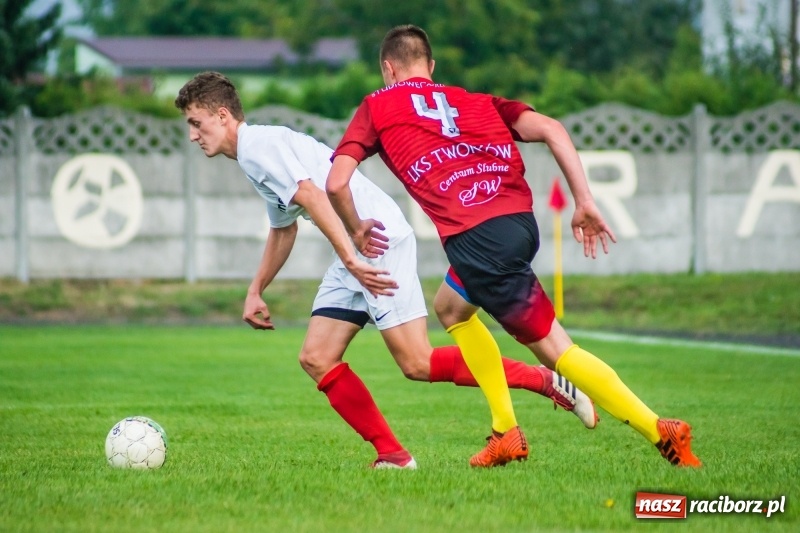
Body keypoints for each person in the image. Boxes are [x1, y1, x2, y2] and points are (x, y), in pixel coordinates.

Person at [174, 71, 596, 470]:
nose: (193, 135)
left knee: (417, 362)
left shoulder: (257, 147)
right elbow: (283, 228)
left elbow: (314, 196)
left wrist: (353, 258)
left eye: (197, 123)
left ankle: (543, 380)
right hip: (356, 248)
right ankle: (393, 456)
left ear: (222, 115)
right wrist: (256, 289)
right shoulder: (255, 153)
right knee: (317, 357)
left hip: (376, 241)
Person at [326, 25, 701, 468]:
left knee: (557, 351)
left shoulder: (377, 105)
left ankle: (659, 430)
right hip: (518, 224)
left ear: (388, 69)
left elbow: (336, 183)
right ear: (431, 66)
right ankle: (505, 432)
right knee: (451, 308)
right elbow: (553, 129)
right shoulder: (477, 101)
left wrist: (355, 228)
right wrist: (584, 201)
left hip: (476, 239)